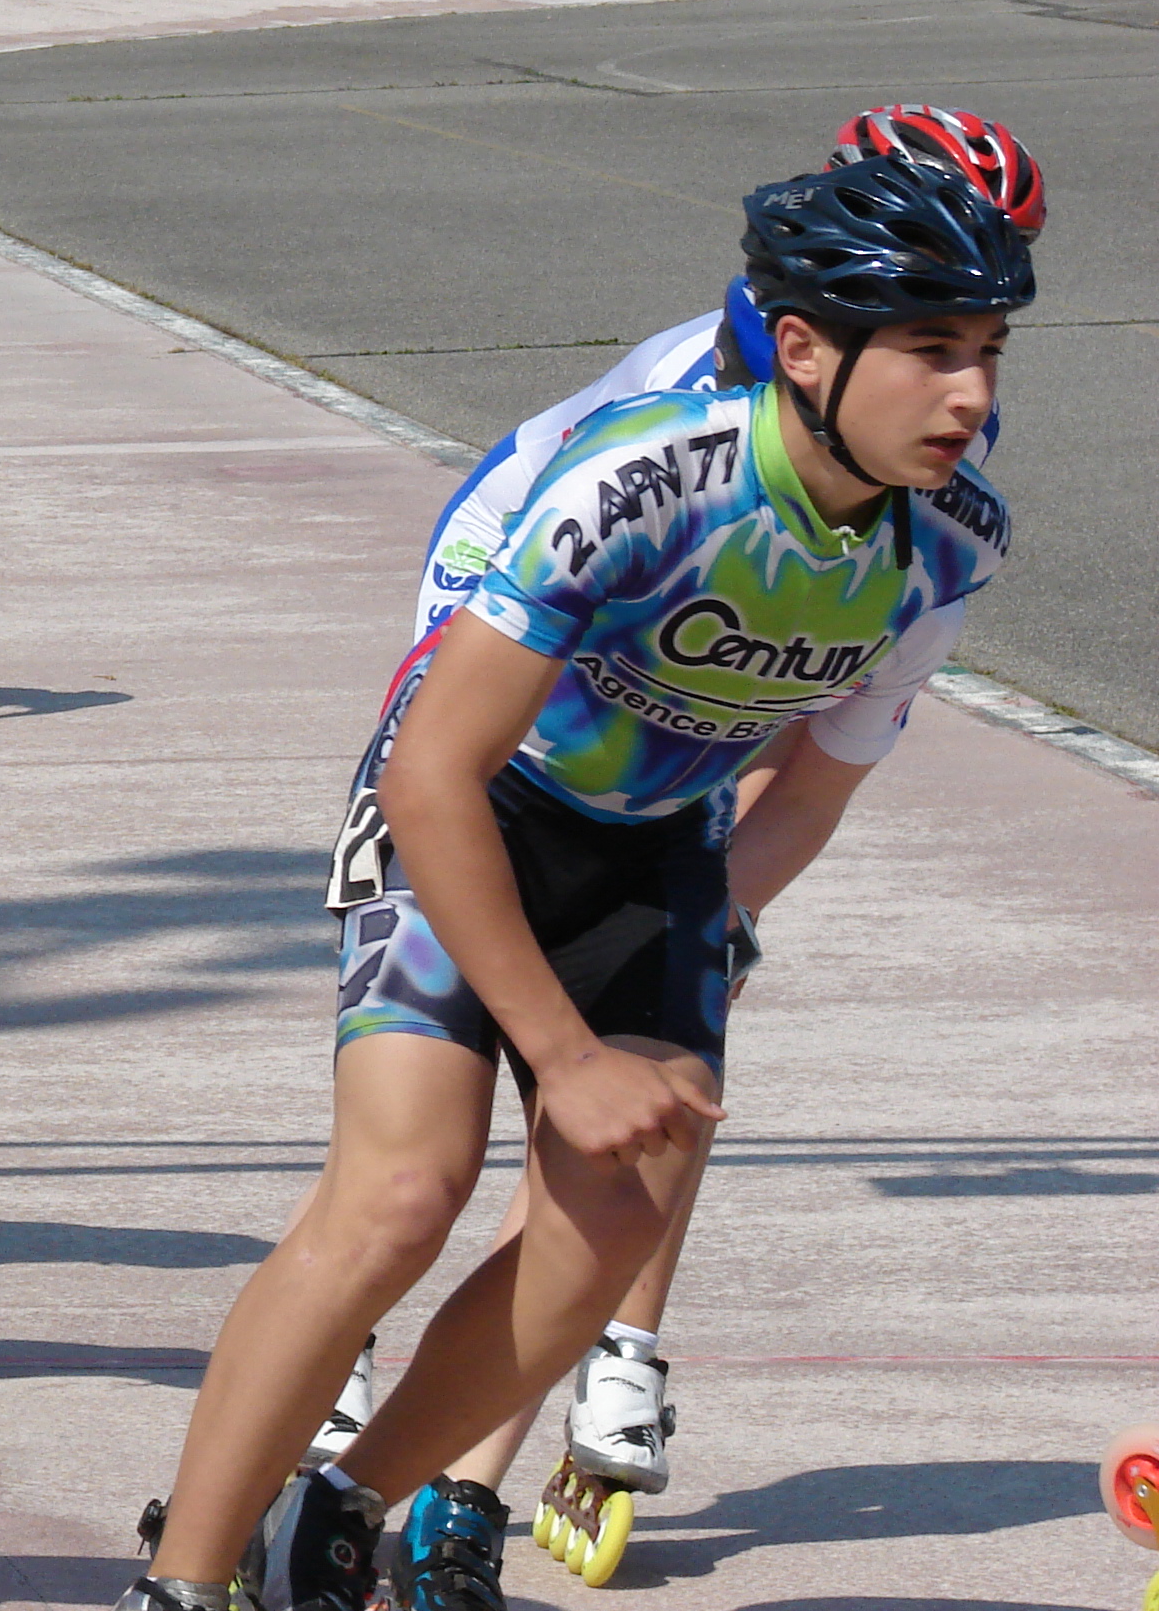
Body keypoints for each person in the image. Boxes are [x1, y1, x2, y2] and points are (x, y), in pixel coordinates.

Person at [120, 152, 1031, 1611]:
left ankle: (339, 1510)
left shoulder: (949, 546)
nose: (971, 394)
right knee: (402, 1194)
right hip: (476, 803)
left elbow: (810, 795)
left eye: (987, 351)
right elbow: (431, 773)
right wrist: (560, 1050)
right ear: (804, 351)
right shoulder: (646, 479)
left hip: (659, 842)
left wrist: (705, 950)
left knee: (618, 1204)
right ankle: (180, 1581)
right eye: (932, 351)